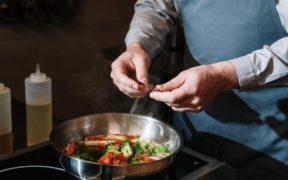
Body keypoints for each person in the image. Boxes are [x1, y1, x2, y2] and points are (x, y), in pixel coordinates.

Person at [110, 0, 288, 179]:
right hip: (195, 133)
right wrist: (137, 45)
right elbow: (154, 5)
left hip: (272, 140)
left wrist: (225, 75)